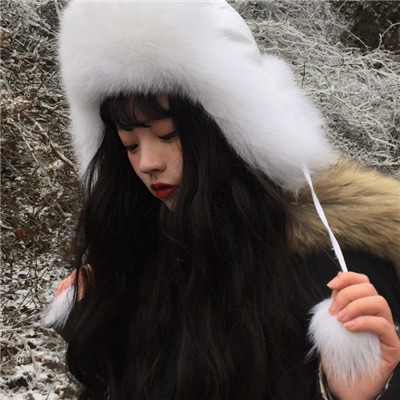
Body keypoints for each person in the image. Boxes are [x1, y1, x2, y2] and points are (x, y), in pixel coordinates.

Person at [44, 1, 400, 399]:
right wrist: (100, 321)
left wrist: (357, 395)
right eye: (130, 145)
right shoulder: (142, 262)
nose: (147, 163)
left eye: (167, 135)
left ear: (228, 130)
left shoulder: (335, 273)